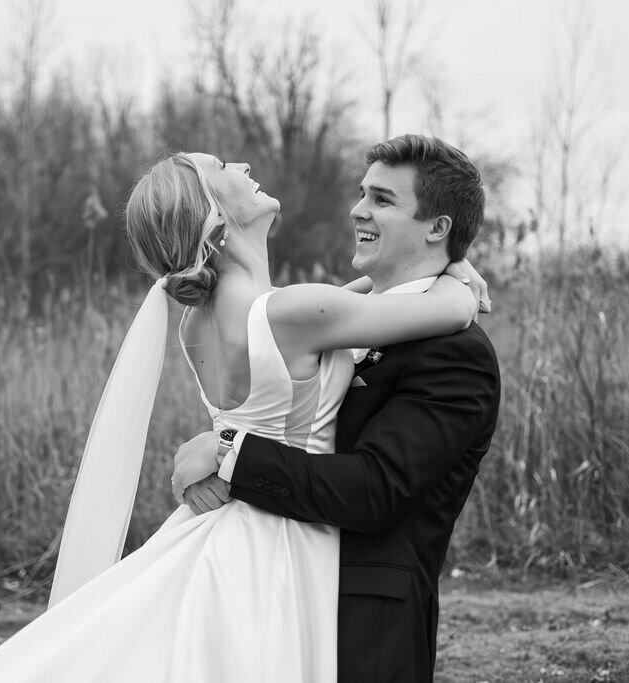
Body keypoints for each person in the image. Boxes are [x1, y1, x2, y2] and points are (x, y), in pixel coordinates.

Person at [0, 138, 487, 682]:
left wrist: (226, 449)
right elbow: (448, 310)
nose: (243, 165)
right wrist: (458, 277)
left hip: (221, 524)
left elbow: (341, 307)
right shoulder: (292, 312)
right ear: (213, 212)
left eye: (382, 198)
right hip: (280, 542)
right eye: (222, 167)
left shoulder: (203, 322)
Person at [172, 134, 501, 682]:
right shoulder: (334, 322)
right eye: (363, 193)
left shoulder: (454, 353)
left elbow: (375, 491)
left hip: (359, 628)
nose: (358, 210)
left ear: (437, 227)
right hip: (261, 592)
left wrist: (229, 452)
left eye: (382, 200)